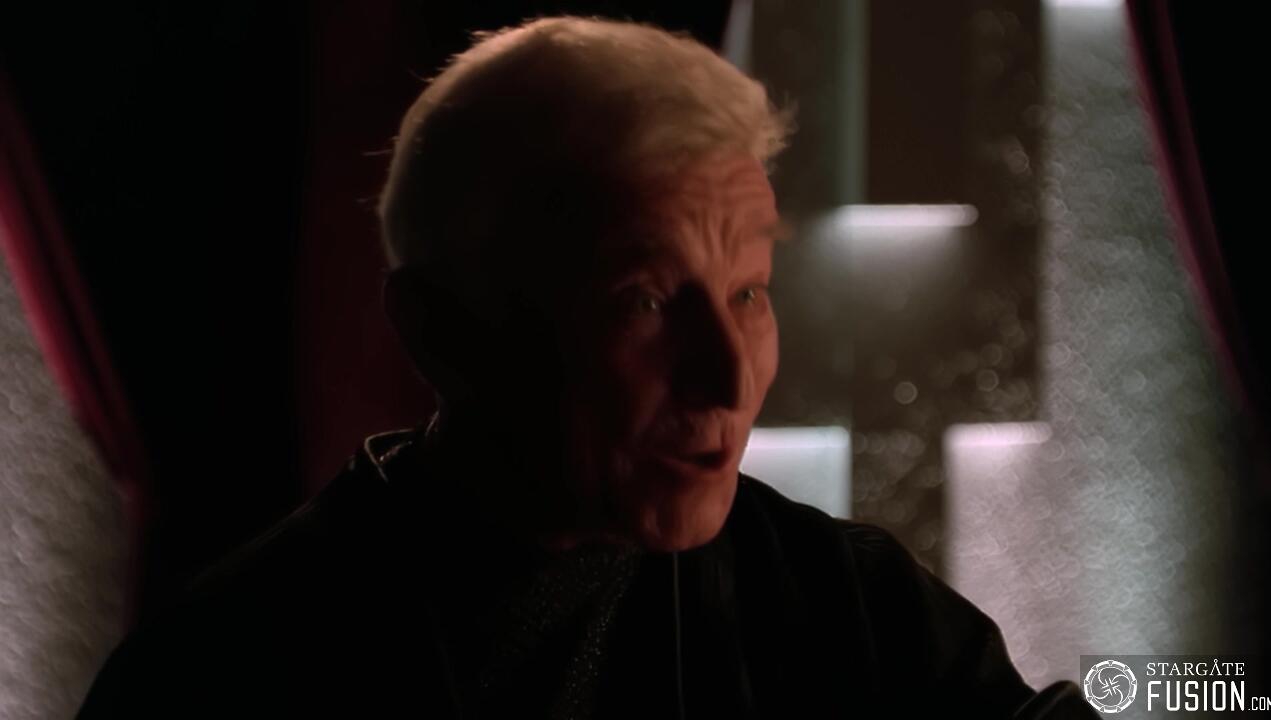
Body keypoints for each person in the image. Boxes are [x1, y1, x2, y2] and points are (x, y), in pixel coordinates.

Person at [78, 17, 1096, 719]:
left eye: (748, 293)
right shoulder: (223, 675)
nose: (726, 379)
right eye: (643, 301)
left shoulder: (838, 605)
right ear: (443, 333)